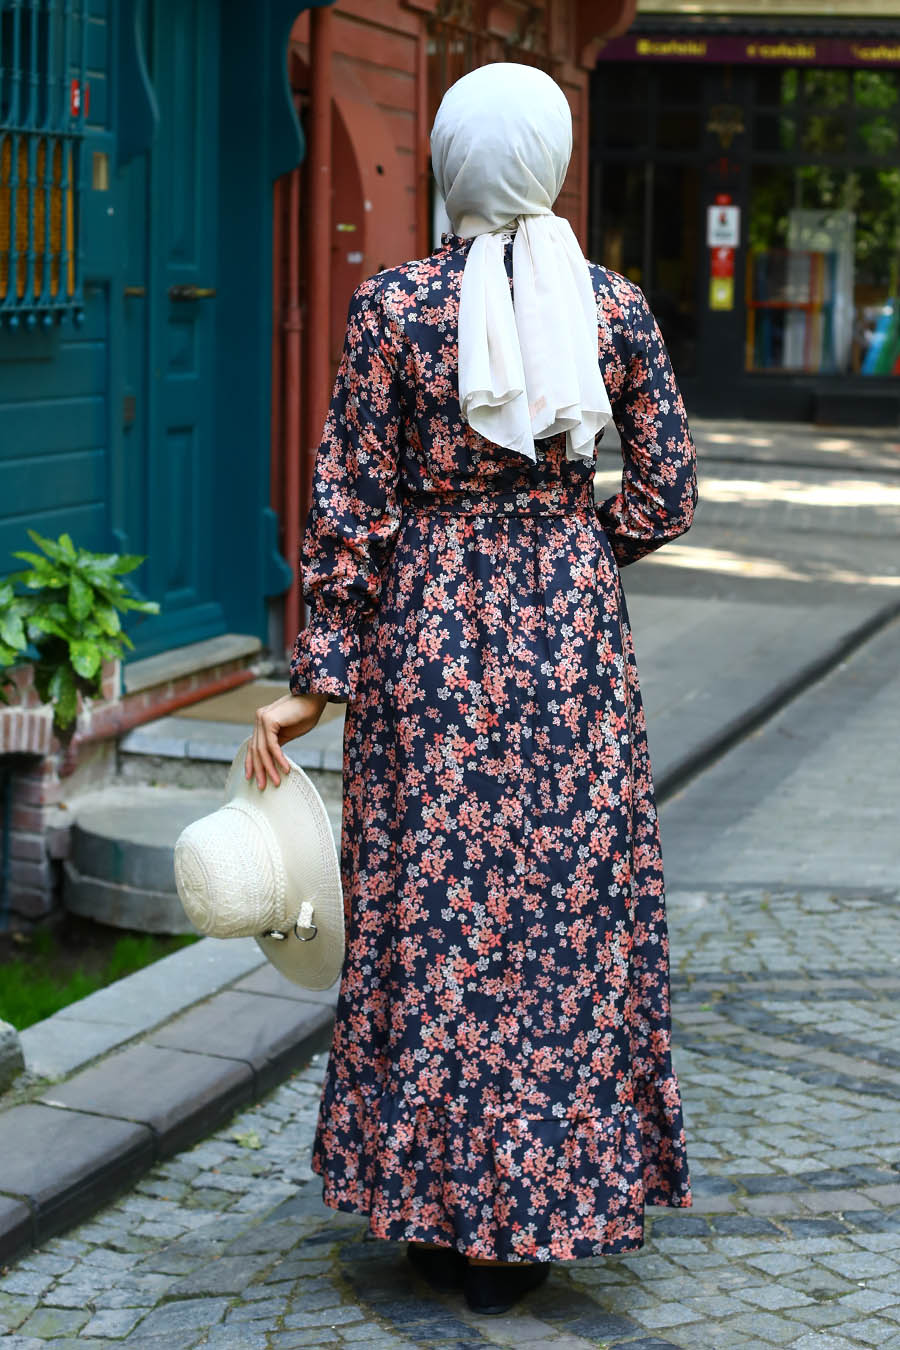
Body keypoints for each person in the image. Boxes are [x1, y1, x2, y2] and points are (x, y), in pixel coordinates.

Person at [245, 62, 697, 1316]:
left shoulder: (393, 309)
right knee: (563, 926)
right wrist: (570, 553)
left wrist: (315, 686)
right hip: (568, 650)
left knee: (429, 921)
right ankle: (541, 1213)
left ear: (448, 161)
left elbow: (348, 506)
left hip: (427, 645)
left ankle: (433, 1210)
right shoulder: (611, 307)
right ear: (548, 164)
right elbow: (668, 491)